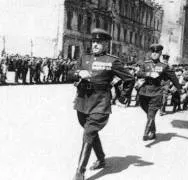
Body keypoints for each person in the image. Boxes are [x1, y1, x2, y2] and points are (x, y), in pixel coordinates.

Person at [71, 28, 134, 180]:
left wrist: (123, 97)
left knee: (88, 133)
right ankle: (100, 159)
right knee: (90, 132)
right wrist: (78, 73)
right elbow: (70, 73)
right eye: (94, 42)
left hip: (100, 103)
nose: (95, 45)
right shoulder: (84, 58)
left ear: (106, 44)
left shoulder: (112, 61)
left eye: (99, 42)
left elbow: (129, 79)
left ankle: (80, 172)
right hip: (82, 101)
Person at [136, 44, 182, 141]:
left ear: (160, 53)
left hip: (156, 93)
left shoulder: (164, 66)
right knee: (148, 113)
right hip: (144, 92)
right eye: (153, 52)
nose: (154, 54)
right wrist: (148, 74)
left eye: (157, 52)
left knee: (151, 114)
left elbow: (173, 77)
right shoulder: (145, 64)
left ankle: (146, 133)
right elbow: (139, 73)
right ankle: (153, 131)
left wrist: (178, 88)